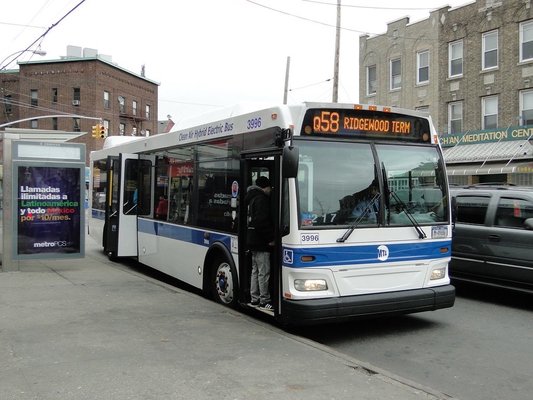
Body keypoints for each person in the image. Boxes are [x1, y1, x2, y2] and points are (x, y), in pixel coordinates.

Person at [245, 176, 275, 311]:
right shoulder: (262, 199)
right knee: (264, 272)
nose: (270, 190)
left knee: (255, 271)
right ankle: (265, 300)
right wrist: (270, 239)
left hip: (252, 240)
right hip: (261, 241)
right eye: (269, 188)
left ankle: (254, 298)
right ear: (265, 187)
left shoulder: (251, 198)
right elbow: (262, 222)